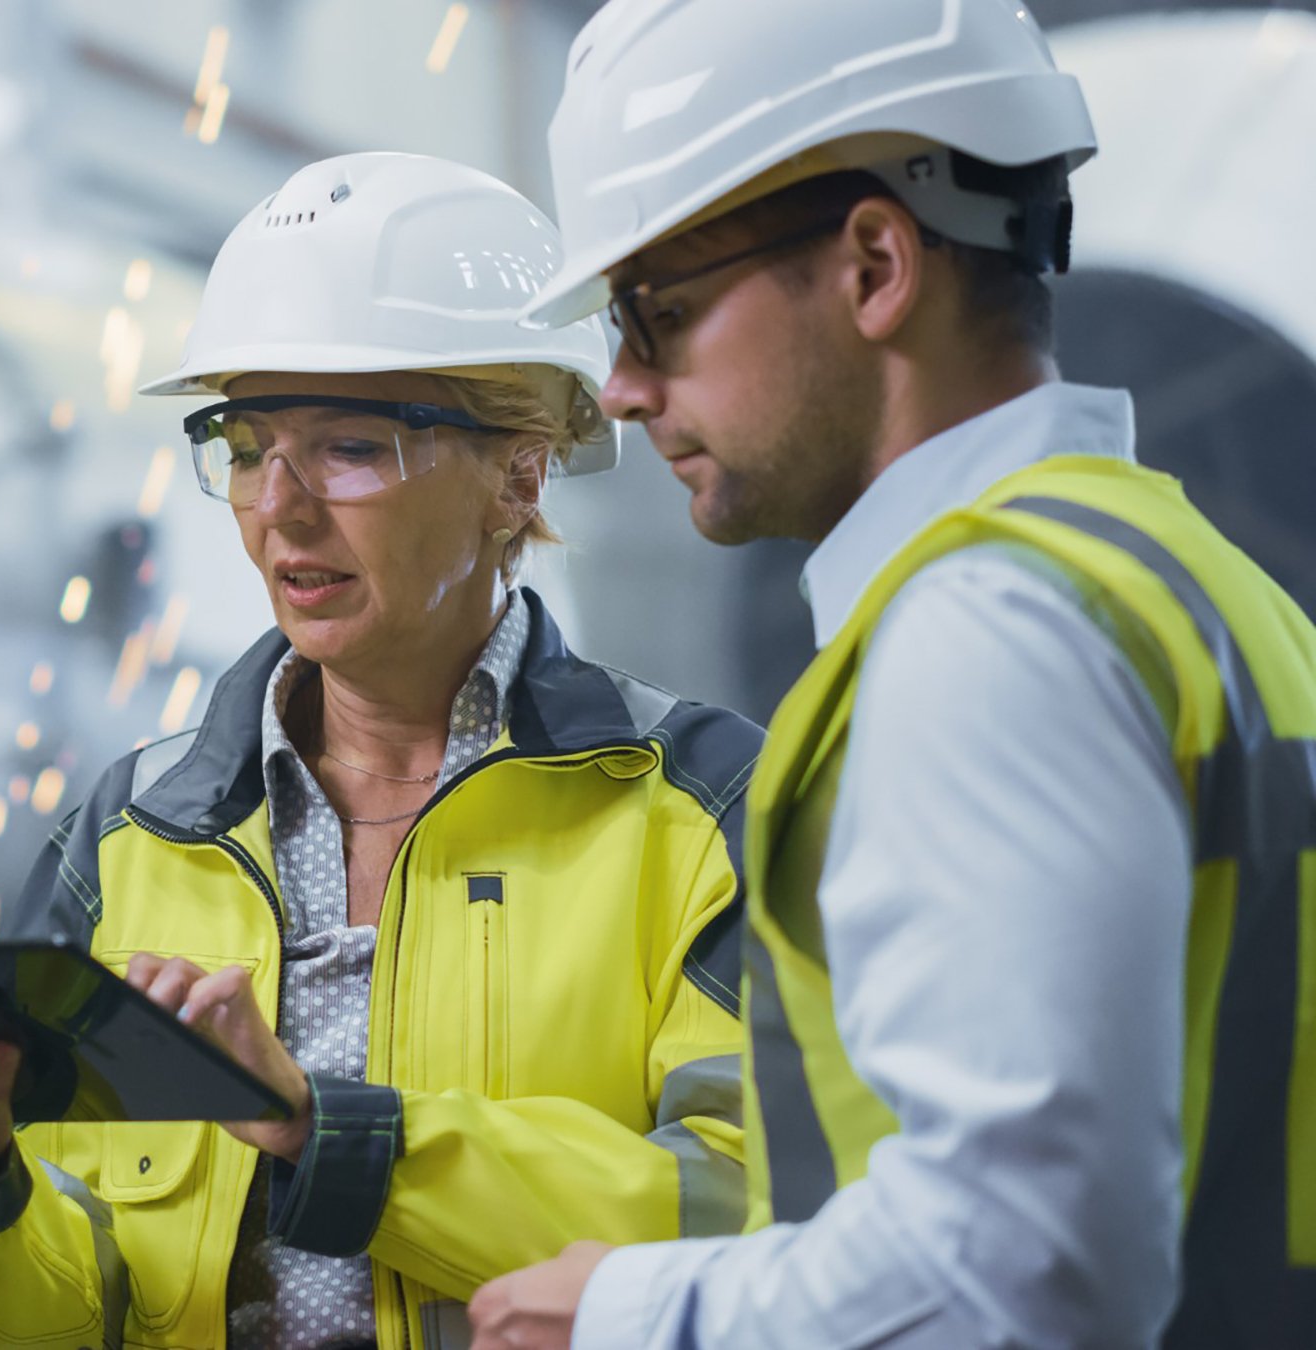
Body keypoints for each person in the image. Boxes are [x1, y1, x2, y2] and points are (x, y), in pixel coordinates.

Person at [467, 1, 1316, 1347]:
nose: (623, 385)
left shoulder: (985, 634)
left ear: (874, 263)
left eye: (661, 311)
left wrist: (637, 1312)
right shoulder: (1188, 580)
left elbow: (1025, 1263)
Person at [0, 152, 763, 1349]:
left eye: (351, 447)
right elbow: (71, 1314)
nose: (281, 507)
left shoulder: (699, 812)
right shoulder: (134, 833)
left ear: (517, 475)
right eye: (250, 443)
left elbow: (747, 1220)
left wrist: (329, 1132)